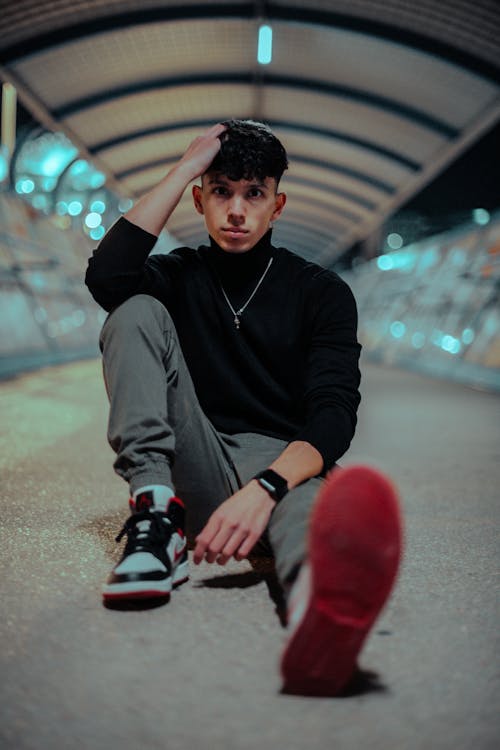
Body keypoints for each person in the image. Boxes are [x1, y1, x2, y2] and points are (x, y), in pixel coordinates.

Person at [85, 120, 402, 696]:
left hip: (279, 466)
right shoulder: (176, 276)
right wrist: (183, 168)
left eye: (254, 194)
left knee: (311, 509)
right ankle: (157, 519)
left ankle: (319, 615)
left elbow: (333, 412)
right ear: (201, 199)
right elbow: (107, 276)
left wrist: (268, 488)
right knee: (131, 311)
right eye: (222, 191)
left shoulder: (321, 292)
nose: (237, 210)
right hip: (192, 461)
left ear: (276, 205)